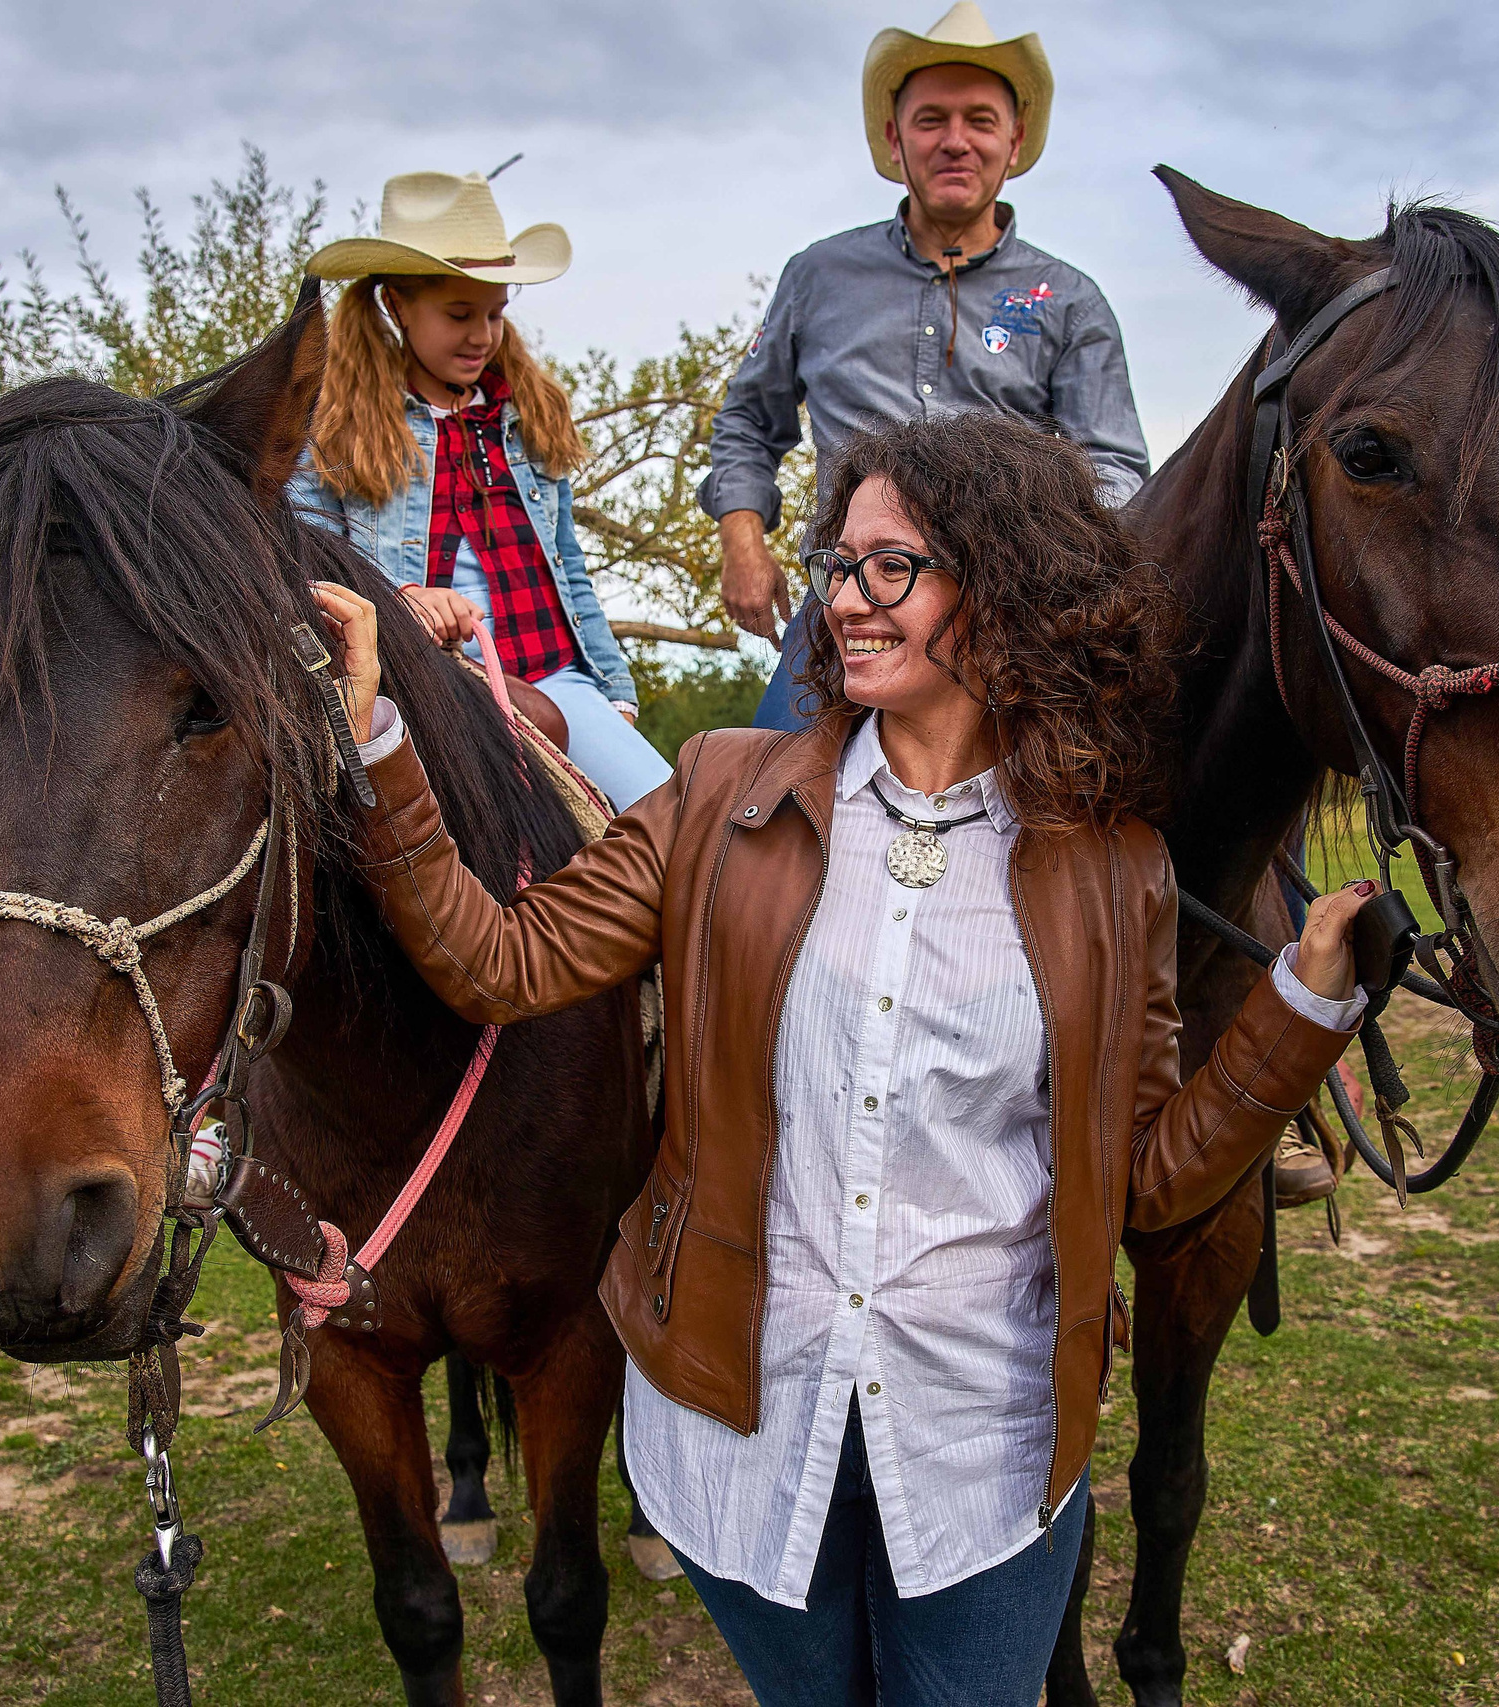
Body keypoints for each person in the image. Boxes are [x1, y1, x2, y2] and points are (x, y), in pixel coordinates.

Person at [308, 413, 1368, 1706]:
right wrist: (381, 743)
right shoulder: (719, 792)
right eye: (840, 564)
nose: (847, 598)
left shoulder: (1112, 868)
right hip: (742, 1439)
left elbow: (1144, 1182)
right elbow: (499, 963)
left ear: (1006, 586)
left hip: (984, 1455)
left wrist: (1296, 1012)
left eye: (892, 566)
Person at [704, 2, 1149, 733]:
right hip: (844, 608)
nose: (955, 141)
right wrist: (742, 542)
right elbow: (748, 421)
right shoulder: (817, 277)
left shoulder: (1070, 301)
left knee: (1073, 785)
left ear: (1014, 140)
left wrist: (1031, 557)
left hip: (1005, 615)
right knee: (769, 785)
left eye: (980, 120)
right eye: (931, 119)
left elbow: (1115, 471)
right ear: (894, 137)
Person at [290, 170, 672, 812]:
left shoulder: (527, 417)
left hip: (553, 672)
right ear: (397, 306)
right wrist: (401, 597)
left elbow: (567, 562)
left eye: (495, 314)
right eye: (459, 314)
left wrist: (612, 686)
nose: (482, 336)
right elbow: (306, 559)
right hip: (425, 684)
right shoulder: (336, 427)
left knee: (674, 820)